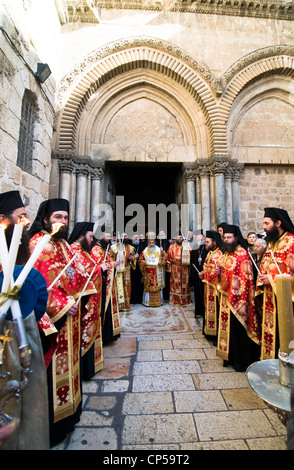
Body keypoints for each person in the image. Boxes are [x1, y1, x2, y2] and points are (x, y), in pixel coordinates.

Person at [29, 198, 97, 447]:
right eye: (58, 217)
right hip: (54, 322)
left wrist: (83, 290)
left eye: (66, 218)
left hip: (71, 318)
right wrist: (64, 304)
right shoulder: (38, 243)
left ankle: (69, 415)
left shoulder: (64, 246)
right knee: (53, 371)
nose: (63, 222)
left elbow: (76, 272)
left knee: (71, 367)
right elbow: (37, 283)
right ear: (46, 218)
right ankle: (53, 426)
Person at [0, 221, 49, 449]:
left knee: (27, 404)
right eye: (20, 217)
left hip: (22, 330)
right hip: (16, 335)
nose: (26, 221)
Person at [68, 222, 109, 379]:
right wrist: (100, 269)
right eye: (90, 236)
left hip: (93, 298)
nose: (92, 240)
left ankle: (91, 366)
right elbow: (80, 273)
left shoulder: (83, 251)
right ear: (81, 235)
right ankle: (85, 369)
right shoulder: (74, 250)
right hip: (85, 301)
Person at [217, 224, 260, 371]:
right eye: (225, 238)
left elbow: (246, 278)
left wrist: (239, 298)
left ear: (236, 238)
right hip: (226, 296)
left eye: (229, 237)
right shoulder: (227, 254)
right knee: (228, 330)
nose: (227, 240)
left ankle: (240, 360)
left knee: (238, 330)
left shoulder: (242, 254)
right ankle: (229, 357)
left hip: (238, 300)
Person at [256, 207, 294, 360]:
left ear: (278, 223)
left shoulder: (291, 242)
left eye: (266, 223)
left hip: (286, 300)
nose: (263, 227)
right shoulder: (271, 243)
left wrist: (271, 279)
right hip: (270, 296)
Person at [91, 231, 122, 344]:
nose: (109, 238)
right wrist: (111, 265)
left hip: (109, 284)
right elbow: (98, 267)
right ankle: (106, 335)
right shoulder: (96, 250)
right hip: (103, 285)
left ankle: (111, 334)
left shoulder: (104, 249)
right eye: (107, 236)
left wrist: (113, 264)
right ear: (100, 236)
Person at [198, 230, 223, 343]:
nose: (205, 243)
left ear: (215, 242)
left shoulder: (219, 254)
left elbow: (219, 271)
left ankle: (215, 334)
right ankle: (209, 331)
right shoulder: (210, 253)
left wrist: (212, 274)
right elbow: (207, 267)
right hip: (208, 288)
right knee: (208, 310)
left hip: (215, 288)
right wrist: (203, 272)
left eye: (207, 242)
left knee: (215, 311)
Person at [139, 232, 167, 307]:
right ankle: (147, 302)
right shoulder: (145, 251)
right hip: (148, 271)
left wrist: (162, 253)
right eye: (150, 242)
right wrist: (144, 262)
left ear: (155, 242)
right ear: (148, 242)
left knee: (157, 287)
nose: (151, 243)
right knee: (148, 287)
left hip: (157, 270)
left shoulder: (158, 249)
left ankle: (158, 301)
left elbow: (164, 258)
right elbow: (140, 260)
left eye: (153, 242)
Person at [110, 232, 136, 312]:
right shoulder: (113, 247)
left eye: (126, 236)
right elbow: (110, 257)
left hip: (126, 270)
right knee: (117, 288)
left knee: (127, 288)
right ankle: (117, 306)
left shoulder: (131, 248)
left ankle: (126, 305)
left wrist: (132, 259)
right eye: (123, 236)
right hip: (117, 271)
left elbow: (134, 257)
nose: (124, 237)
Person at [165, 233, 191, 306]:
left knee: (184, 285)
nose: (180, 239)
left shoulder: (186, 246)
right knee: (175, 285)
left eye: (181, 237)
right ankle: (175, 300)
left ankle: (185, 301)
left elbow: (191, 255)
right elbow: (167, 257)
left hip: (184, 268)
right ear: (175, 238)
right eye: (178, 237)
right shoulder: (171, 247)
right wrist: (169, 268)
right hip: (175, 268)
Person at [190, 231, 208, 317]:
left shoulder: (207, 248)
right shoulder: (194, 248)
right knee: (197, 293)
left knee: (205, 293)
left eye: (201, 237)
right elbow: (192, 262)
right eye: (198, 237)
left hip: (206, 273)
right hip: (197, 273)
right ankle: (198, 312)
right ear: (195, 238)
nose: (200, 238)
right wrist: (195, 272)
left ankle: (205, 311)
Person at [130, 234, 144, 304]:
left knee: (140, 284)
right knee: (133, 283)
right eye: (134, 237)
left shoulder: (142, 246)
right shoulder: (130, 246)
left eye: (137, 237)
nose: (136, 238)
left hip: (140, 269)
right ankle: (133, 299)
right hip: (132, 269)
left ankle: (140, 299)